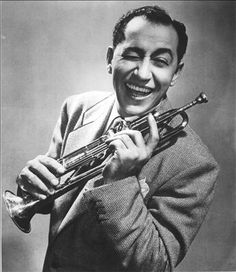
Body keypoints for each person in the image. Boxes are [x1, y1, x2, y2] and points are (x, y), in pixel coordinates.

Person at [16, 5, 219, 272]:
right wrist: (32, 186)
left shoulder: (195, 163)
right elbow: (52, 199)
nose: (142, 74)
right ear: (110, 59)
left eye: (160, 61)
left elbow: (156, 264)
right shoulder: (77, 108)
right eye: (132, 55)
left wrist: (120, 185)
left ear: (175, 73)